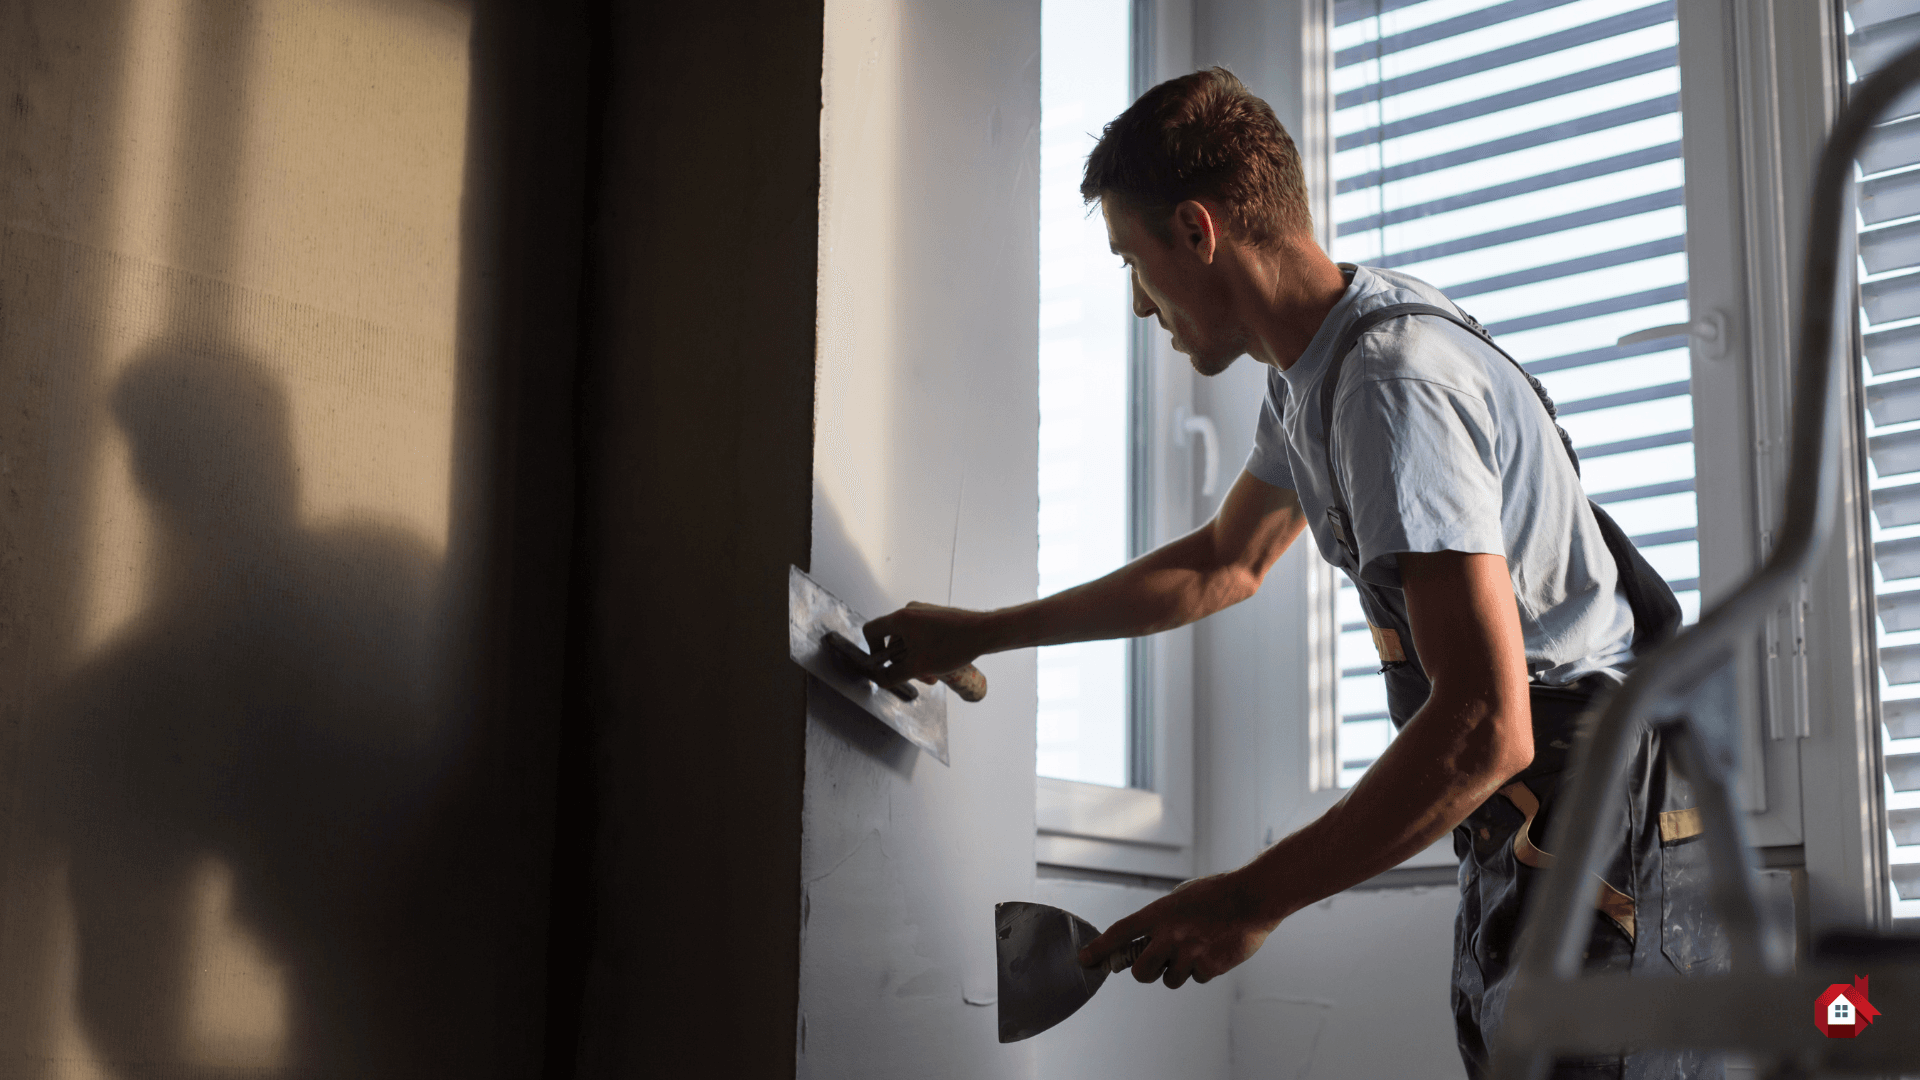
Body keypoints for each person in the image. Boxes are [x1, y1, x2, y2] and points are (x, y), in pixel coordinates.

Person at [862, 68, 1725, 1078]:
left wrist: (1248, 898)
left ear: (1197, 232)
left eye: (1132, 263)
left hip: (1595, 805)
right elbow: (1221, 566)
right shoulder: (1311, 373)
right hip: (1528, 811)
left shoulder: (1391, 385)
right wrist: (978, 633)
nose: (1140, 307)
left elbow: (1487, 724)